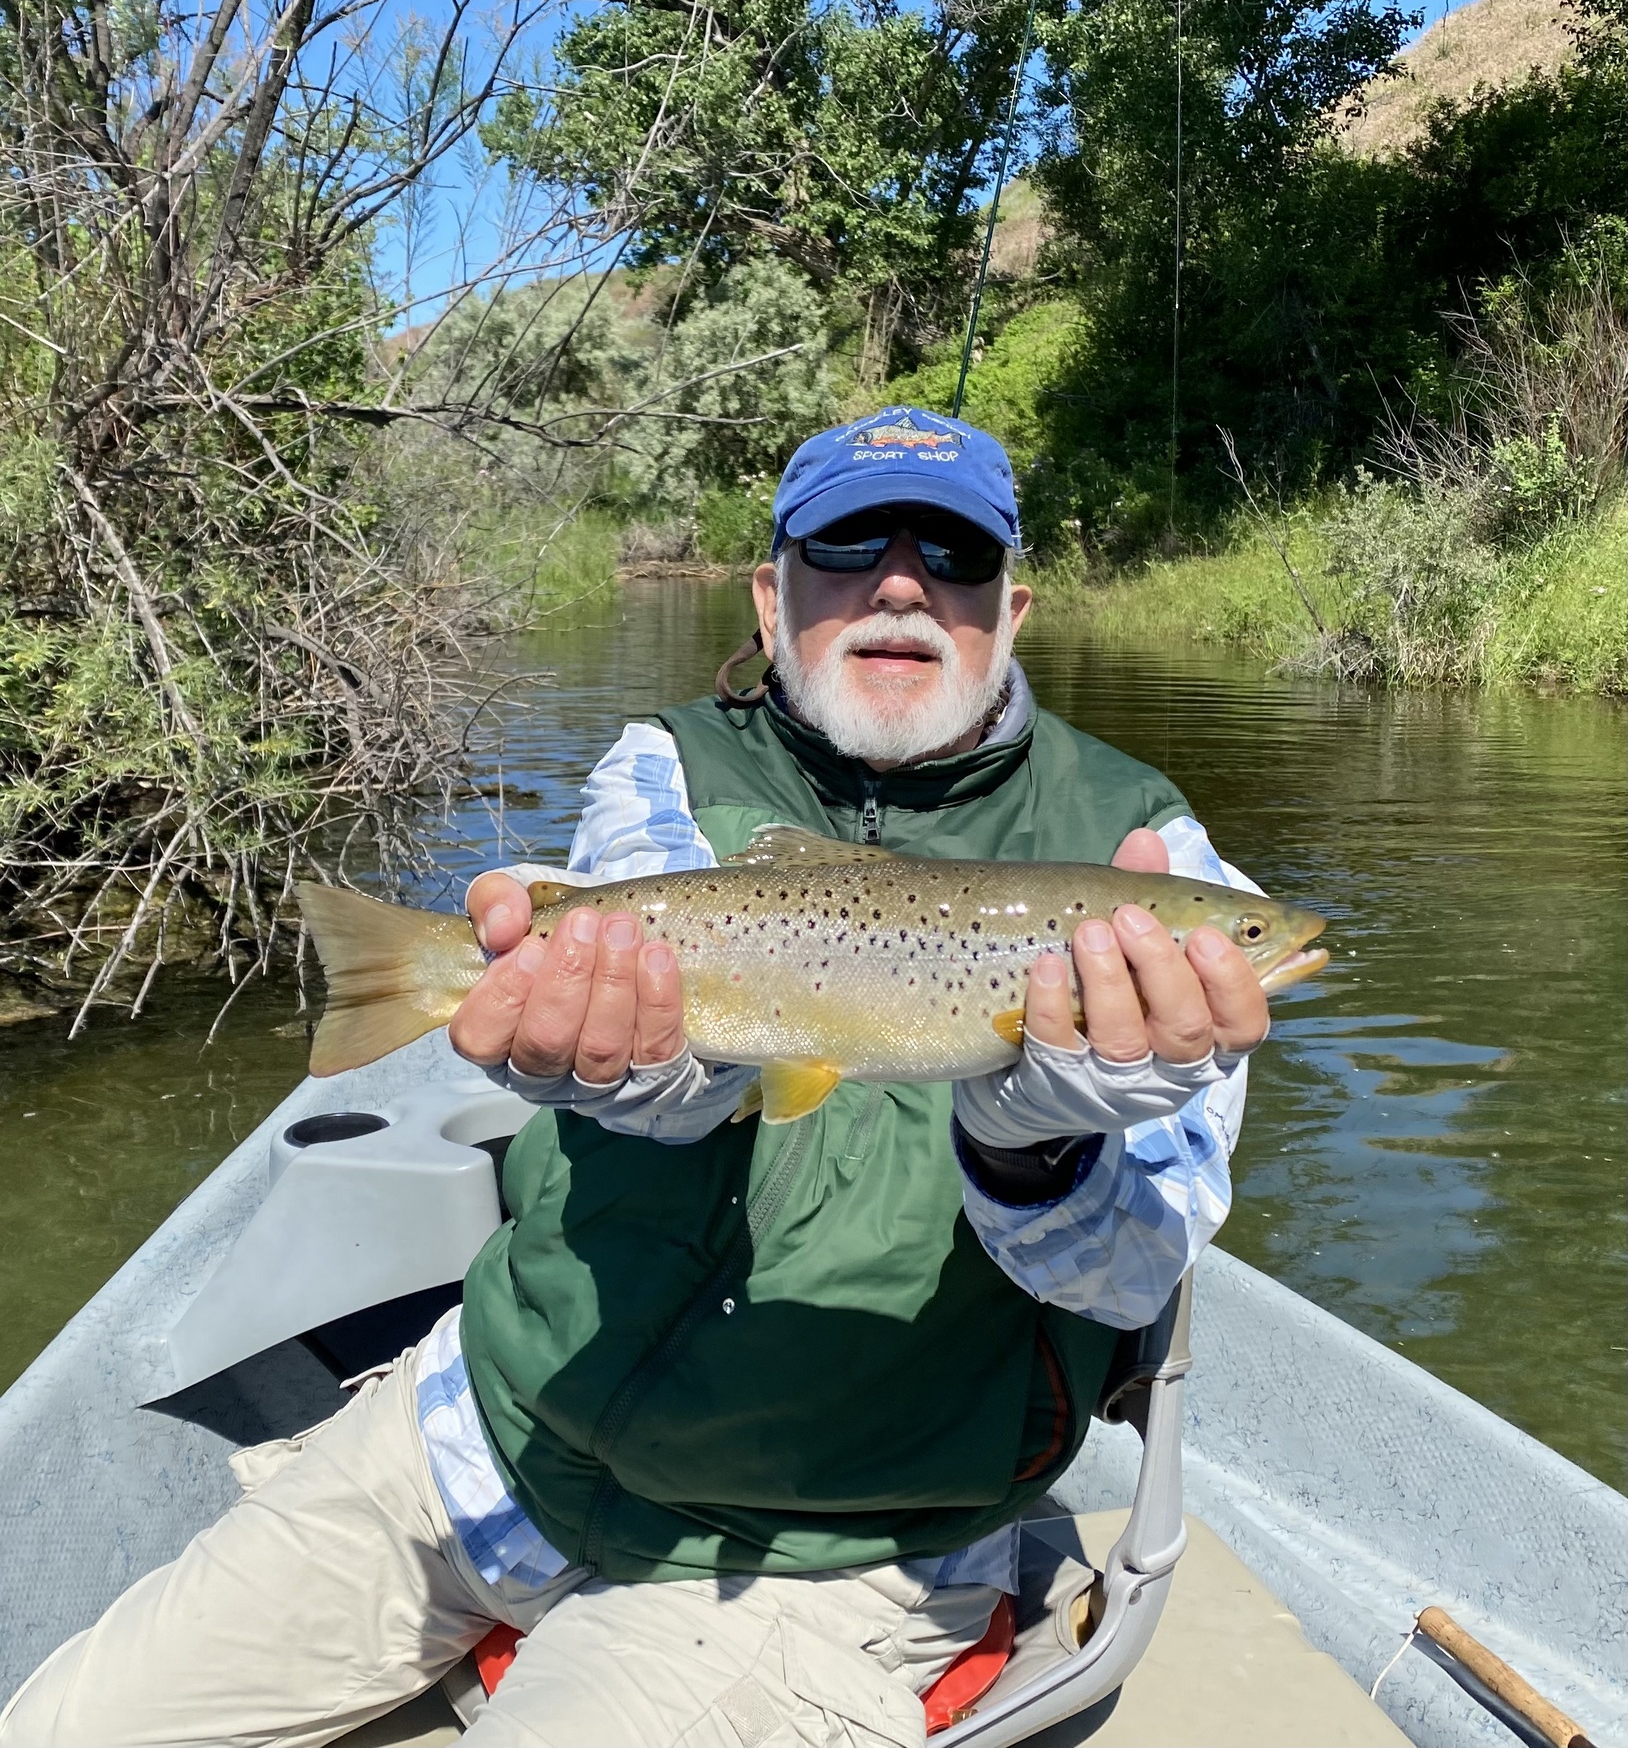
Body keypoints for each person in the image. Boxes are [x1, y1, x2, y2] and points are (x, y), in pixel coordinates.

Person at [1, 408, 1271, 1747]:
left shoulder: (1149, 866)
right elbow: (672, 1073)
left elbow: (1130, 1280)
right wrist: (638, 1075)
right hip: (488, 1434)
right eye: (849, 546)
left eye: (953, 555)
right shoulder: (666, 766)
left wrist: (1034, 1148)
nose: (902, 583)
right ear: (770, 600)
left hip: (820, 1551)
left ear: (1010, 612)